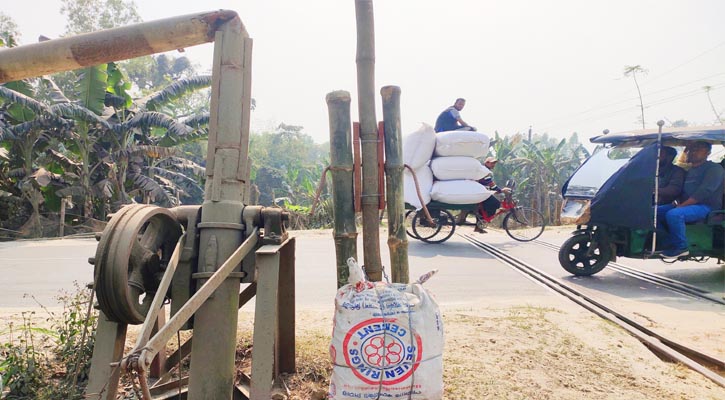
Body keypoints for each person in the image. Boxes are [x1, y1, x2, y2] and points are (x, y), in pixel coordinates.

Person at [656, 141, 724, 258]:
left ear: (708, 152)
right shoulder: (689, 170)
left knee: (674, 214)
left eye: (698, 149)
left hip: (706, 207)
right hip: (687, 205)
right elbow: (680, 190)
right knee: (653, 212)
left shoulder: (714, 169)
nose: (693, 151)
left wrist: (682, 206)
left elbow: (704, 192)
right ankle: (667, 242)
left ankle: (681, 247)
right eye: (691, 149)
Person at [472, 157, 511, 233]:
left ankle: (479, 225)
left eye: (494, 163)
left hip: (481, 192)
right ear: (486, 163)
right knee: (495, 203)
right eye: (492, 163)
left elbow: (489, 184)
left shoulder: (485, 170)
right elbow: (490, 184)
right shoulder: (485, 171)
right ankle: (485, 220)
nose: (493, 165)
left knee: (482, 208)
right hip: (480, 192)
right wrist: (501, 190)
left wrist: (497, 190)